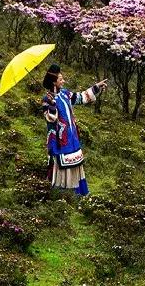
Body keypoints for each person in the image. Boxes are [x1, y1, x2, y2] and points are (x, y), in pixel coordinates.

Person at [41, 64, 107, 196]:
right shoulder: (46, 99)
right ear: (54, 82)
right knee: (61, 164)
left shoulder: (65, 94)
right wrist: (52, 104)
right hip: (59, 139)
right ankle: (61, 194)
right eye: (60, 79)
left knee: (75, 162)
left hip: (72, 137)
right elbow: (50, 118)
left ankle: (77, 192)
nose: (63, 81)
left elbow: (80, 97)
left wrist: (96, 87)